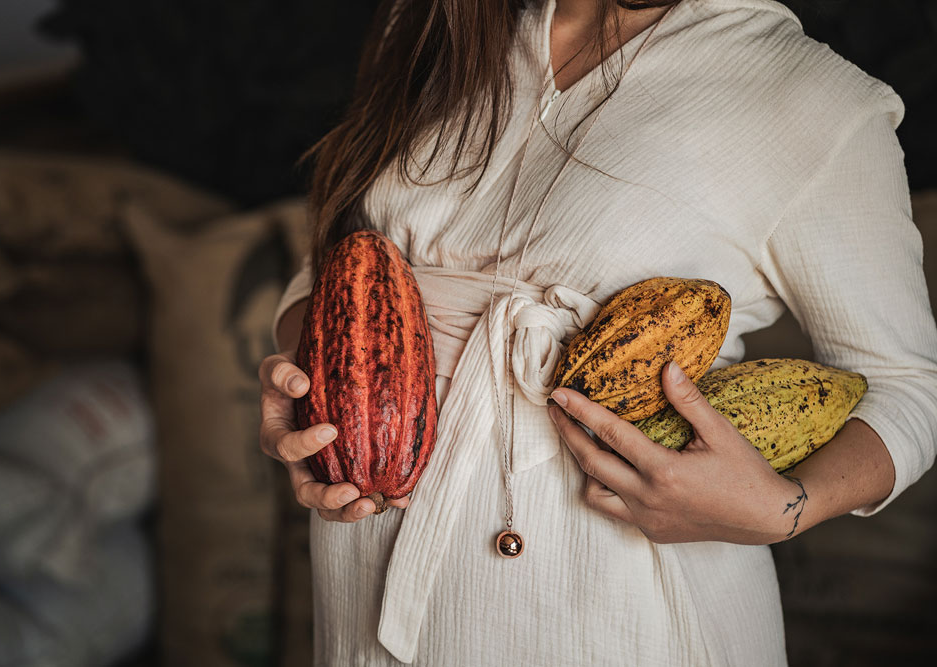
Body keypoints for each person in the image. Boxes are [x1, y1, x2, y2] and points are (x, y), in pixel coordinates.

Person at [259, 0, 937, 664]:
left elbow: (911, 389)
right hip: (359, 589)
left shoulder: (812, 97)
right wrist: (299, 382)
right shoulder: (439, 22)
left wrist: (784, 508)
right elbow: (327, 277)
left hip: (612, 615)